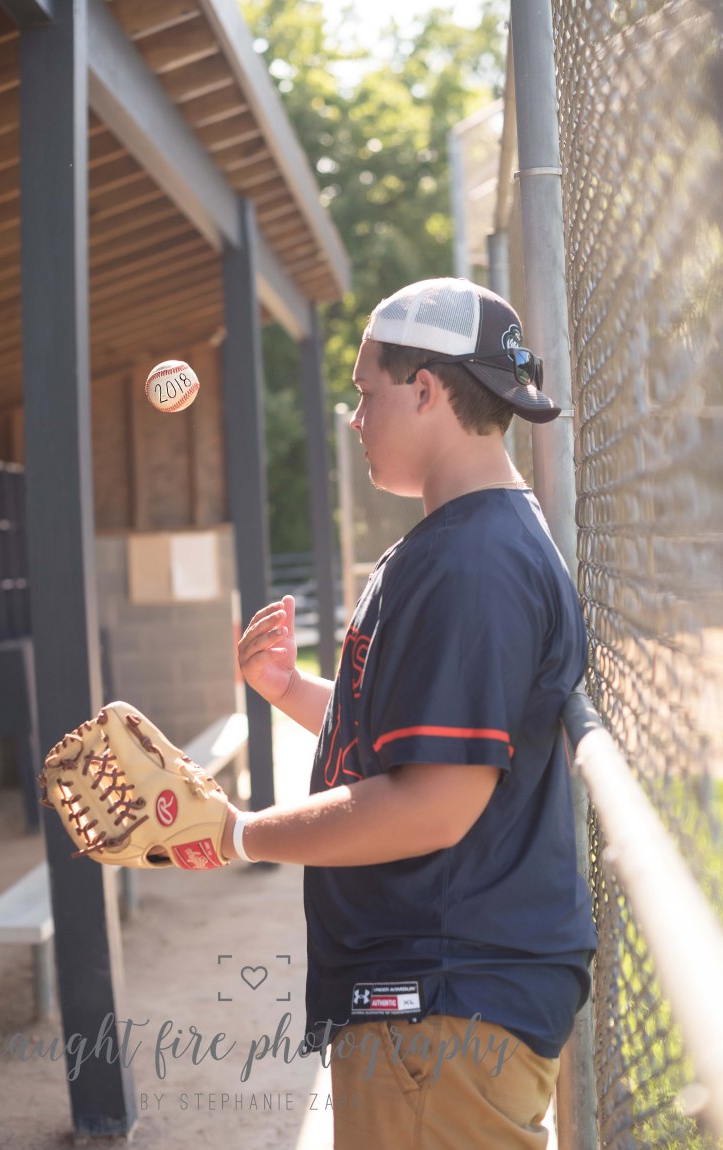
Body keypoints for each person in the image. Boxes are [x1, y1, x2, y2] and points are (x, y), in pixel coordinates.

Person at [219, 277, 597, 1149]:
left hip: (445, 1002)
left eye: (365, 392)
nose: (355, 418)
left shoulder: (474, 564)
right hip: (445, 998)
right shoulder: (465, 541)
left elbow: (433, 803)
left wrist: (239, 835)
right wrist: (291, 691)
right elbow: (402, 746)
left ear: (425, 389)